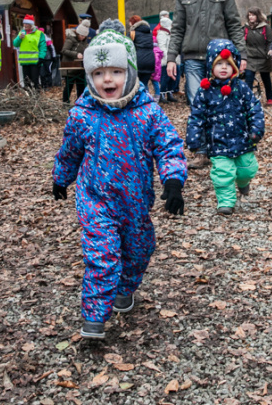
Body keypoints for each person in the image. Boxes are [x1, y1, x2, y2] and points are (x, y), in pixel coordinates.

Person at [51, 27, 187, 340]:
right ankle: (95, 317)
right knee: (102, 255)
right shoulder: (82, 114)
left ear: (129, 72)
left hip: (136, 202)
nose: (107, 80)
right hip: (95, 199)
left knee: (139, 249)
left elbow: (168, 146)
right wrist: (61, 177)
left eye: (115, 71)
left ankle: (125, 289)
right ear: (89, 77)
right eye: (98, 73)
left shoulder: (148, 111)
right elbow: (70, 151)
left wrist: (173, 179)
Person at [166, 0, 247, 169]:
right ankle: (201, 152)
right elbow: (177, 28)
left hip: (219, 58)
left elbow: (233, 24)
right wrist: (171, 57)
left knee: (222, 102)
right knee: (196, 103)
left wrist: (242, 55)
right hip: (192, 57)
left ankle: (223, 148)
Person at [186, 39, 264, 215]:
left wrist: (256, 129)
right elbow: (196, 116)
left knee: (247, 168)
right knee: (223, 173)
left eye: (227, 64)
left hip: (243, 139)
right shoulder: (204, 91)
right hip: (218, 142)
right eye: (218, 64)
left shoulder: (241, 88)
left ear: (234, 66)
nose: (223, 68)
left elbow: (254, 108)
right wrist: (194, 138)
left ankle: (243, 183)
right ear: (210, 66)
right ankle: (226, 202)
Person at [243, 7, 272, 105]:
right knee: (248, 78)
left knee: (266, 78)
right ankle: (248, 100)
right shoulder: (246, 28)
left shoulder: (266, 27)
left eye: (253, 15)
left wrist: (270, 51)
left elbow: (270, 41)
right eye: (249, 15)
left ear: (258, 16)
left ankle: (270, 98)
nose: (251, 17)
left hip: (263, 57)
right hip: (250, 57)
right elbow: (242, 42)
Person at [13, 14, 47, 89]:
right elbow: (15, 44)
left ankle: (36, 97)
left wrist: (41, 57)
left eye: (27, 24)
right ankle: (29, 98)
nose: (25, 25)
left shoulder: (39, 34)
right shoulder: (21, 33)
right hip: (24, 61)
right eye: (24, 23)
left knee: (35, 81)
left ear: (31, 25)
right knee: (26, 82)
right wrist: (19, 38)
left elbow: (43, 47)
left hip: (35, 61)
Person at [60, 20, 90, 103]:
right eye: (81, 35)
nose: (82, 37)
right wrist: (76, 54)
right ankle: (65, 102)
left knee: (81, 85)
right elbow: (64, 50)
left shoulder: (84, 42)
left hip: (80, 67)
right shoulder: (70, 39)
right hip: (70, 66)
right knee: (69, 85)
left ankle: (80, 102)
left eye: (84, 36)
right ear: (78, 33)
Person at [128, 15, 156, 95]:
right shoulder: (149, 33)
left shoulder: (132, 33)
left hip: (138, 60)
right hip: (150, 60)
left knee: (136, 84)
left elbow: (128, 47)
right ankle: (146, 100)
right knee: (144, 83)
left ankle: (137, 102)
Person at [157, 15, 177, 102]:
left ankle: (169, 93)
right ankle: (162, 94)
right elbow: (162, 47)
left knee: (172, 78)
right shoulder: (161, 34)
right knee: (165, 78)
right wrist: (169, 58)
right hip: (165, 60)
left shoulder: (169, 34)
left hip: (172, 59)